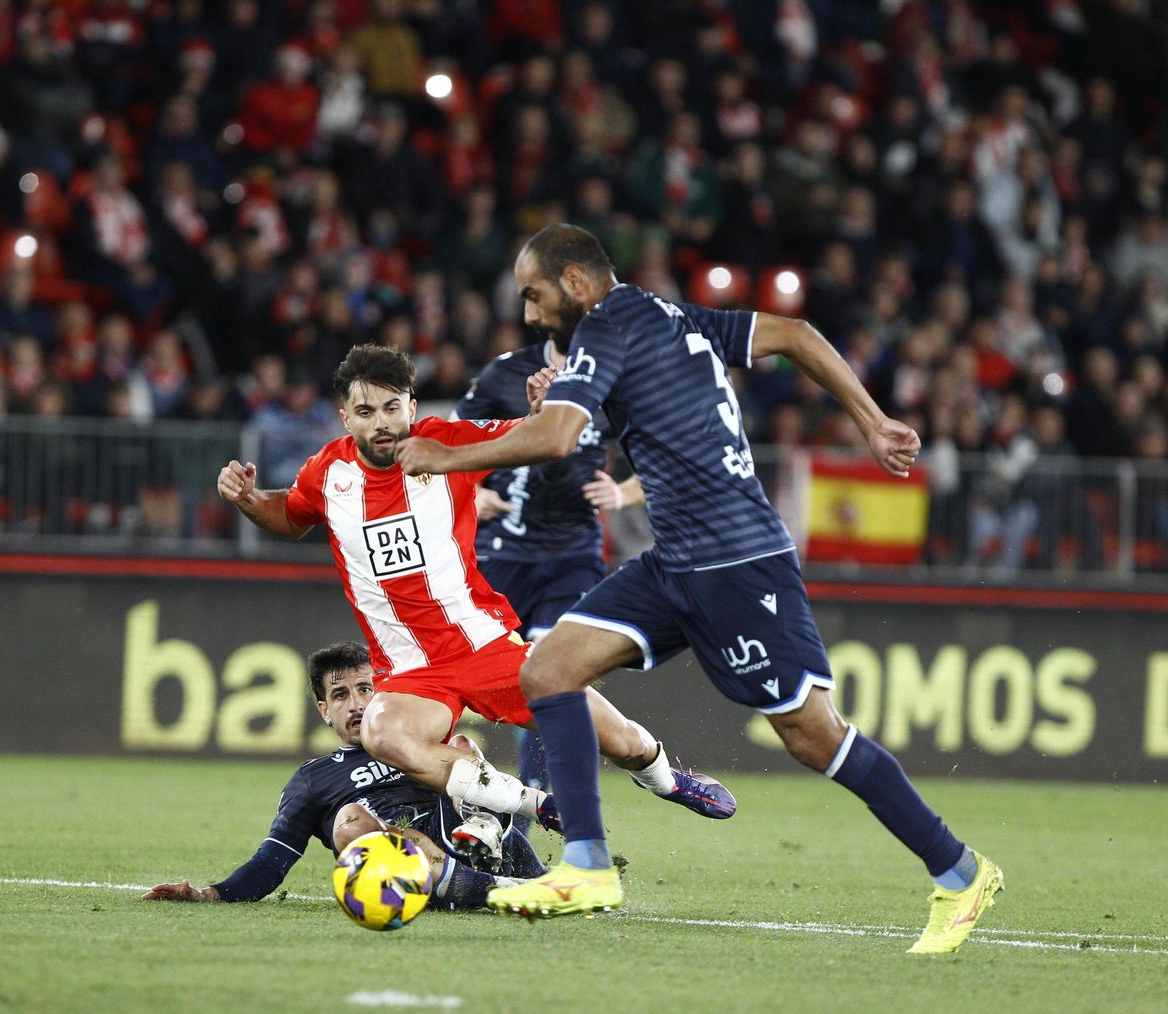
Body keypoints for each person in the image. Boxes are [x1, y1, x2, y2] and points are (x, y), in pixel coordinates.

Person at [398, 223, 1002, 954]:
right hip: (676, 560)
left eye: (534, 294)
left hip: (738, 564)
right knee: (549, 667)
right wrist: (871, 422)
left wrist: (446, 455)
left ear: (577, 283)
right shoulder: (664, 316)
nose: (528, 314)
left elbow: (557, 440)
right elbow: (794, 334)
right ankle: (586, 864)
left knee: (814, 739)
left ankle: (960, 871)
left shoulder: (610, 324)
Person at [216, 343, 735, 847]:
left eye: (393, 408)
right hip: (409, 672)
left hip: (483, 646)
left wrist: (540, 412)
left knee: (620, 741)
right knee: (382, 733)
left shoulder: (448, 443)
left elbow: (530, 439)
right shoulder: (327, 473)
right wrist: (248, 500)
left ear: (411, 408)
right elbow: (288, 516)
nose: (382, 423)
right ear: (345, 417)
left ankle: (667, 780)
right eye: (366, 410)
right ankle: (535, 805)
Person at [142, 641, 543, 909]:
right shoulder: (314, 779)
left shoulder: (415, 740)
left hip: (485, 845)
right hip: (423, 879)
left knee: (459, 746)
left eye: (365, 689)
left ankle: (496, 843)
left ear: (382, 690)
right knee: (349, 821)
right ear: (323, 710)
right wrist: (209, 894)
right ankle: (500, 891)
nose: (356, 705)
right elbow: (271, 862)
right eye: (340, 695)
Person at [454, 339, 642, 830]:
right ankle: (454, 803)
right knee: (464, 671)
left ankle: (525, 813)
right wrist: (472, 489)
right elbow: (447, 440)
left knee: (550, 670)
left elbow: (666, 458)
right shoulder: (505, 372)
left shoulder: (613, 371)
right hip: (500, 555)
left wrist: (622, 492)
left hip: (572, 559)